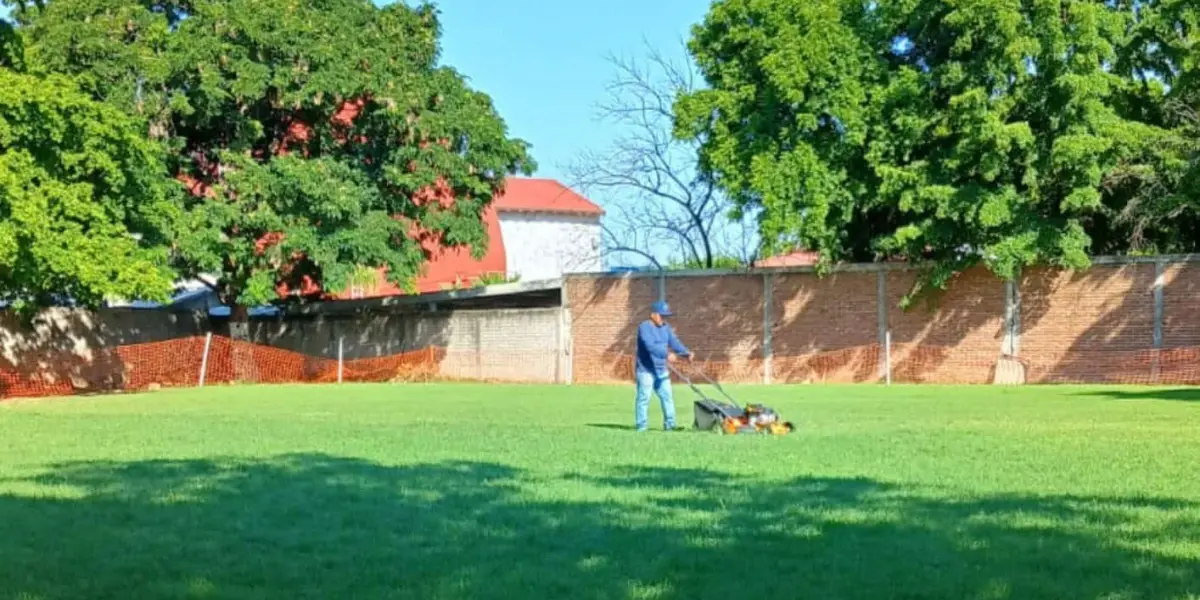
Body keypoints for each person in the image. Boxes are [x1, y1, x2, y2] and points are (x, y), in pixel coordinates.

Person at [634, 300, 692, 431]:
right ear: (653, 314)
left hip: (661, 369)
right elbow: (650, 346)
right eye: (662, 315)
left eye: (666, 316)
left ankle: (670, 426)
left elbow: (674, 342)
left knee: (668, 397)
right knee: (644, 398)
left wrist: (686, 353)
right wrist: (666, 355)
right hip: (646, 370)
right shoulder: (644, 327)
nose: (664, 318)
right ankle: (641, 427)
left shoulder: (666, 328)